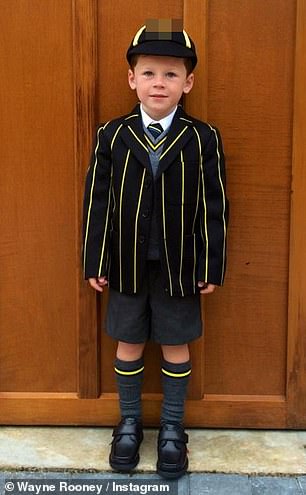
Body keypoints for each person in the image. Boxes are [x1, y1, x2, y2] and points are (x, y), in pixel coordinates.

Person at [82, 19, 229, 480]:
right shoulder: (113, 134)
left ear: (189, 83)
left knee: (175, 344)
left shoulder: (203, 138)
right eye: (148, 73)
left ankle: (172, 428)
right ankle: (128, 423)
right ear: (132, 79)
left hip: (180, 267)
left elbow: (215, 206)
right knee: (128, 341)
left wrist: (210, 264)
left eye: (170, 74)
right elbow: (97, 201)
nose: (159, 83)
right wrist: (94, 259)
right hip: (124, 264)